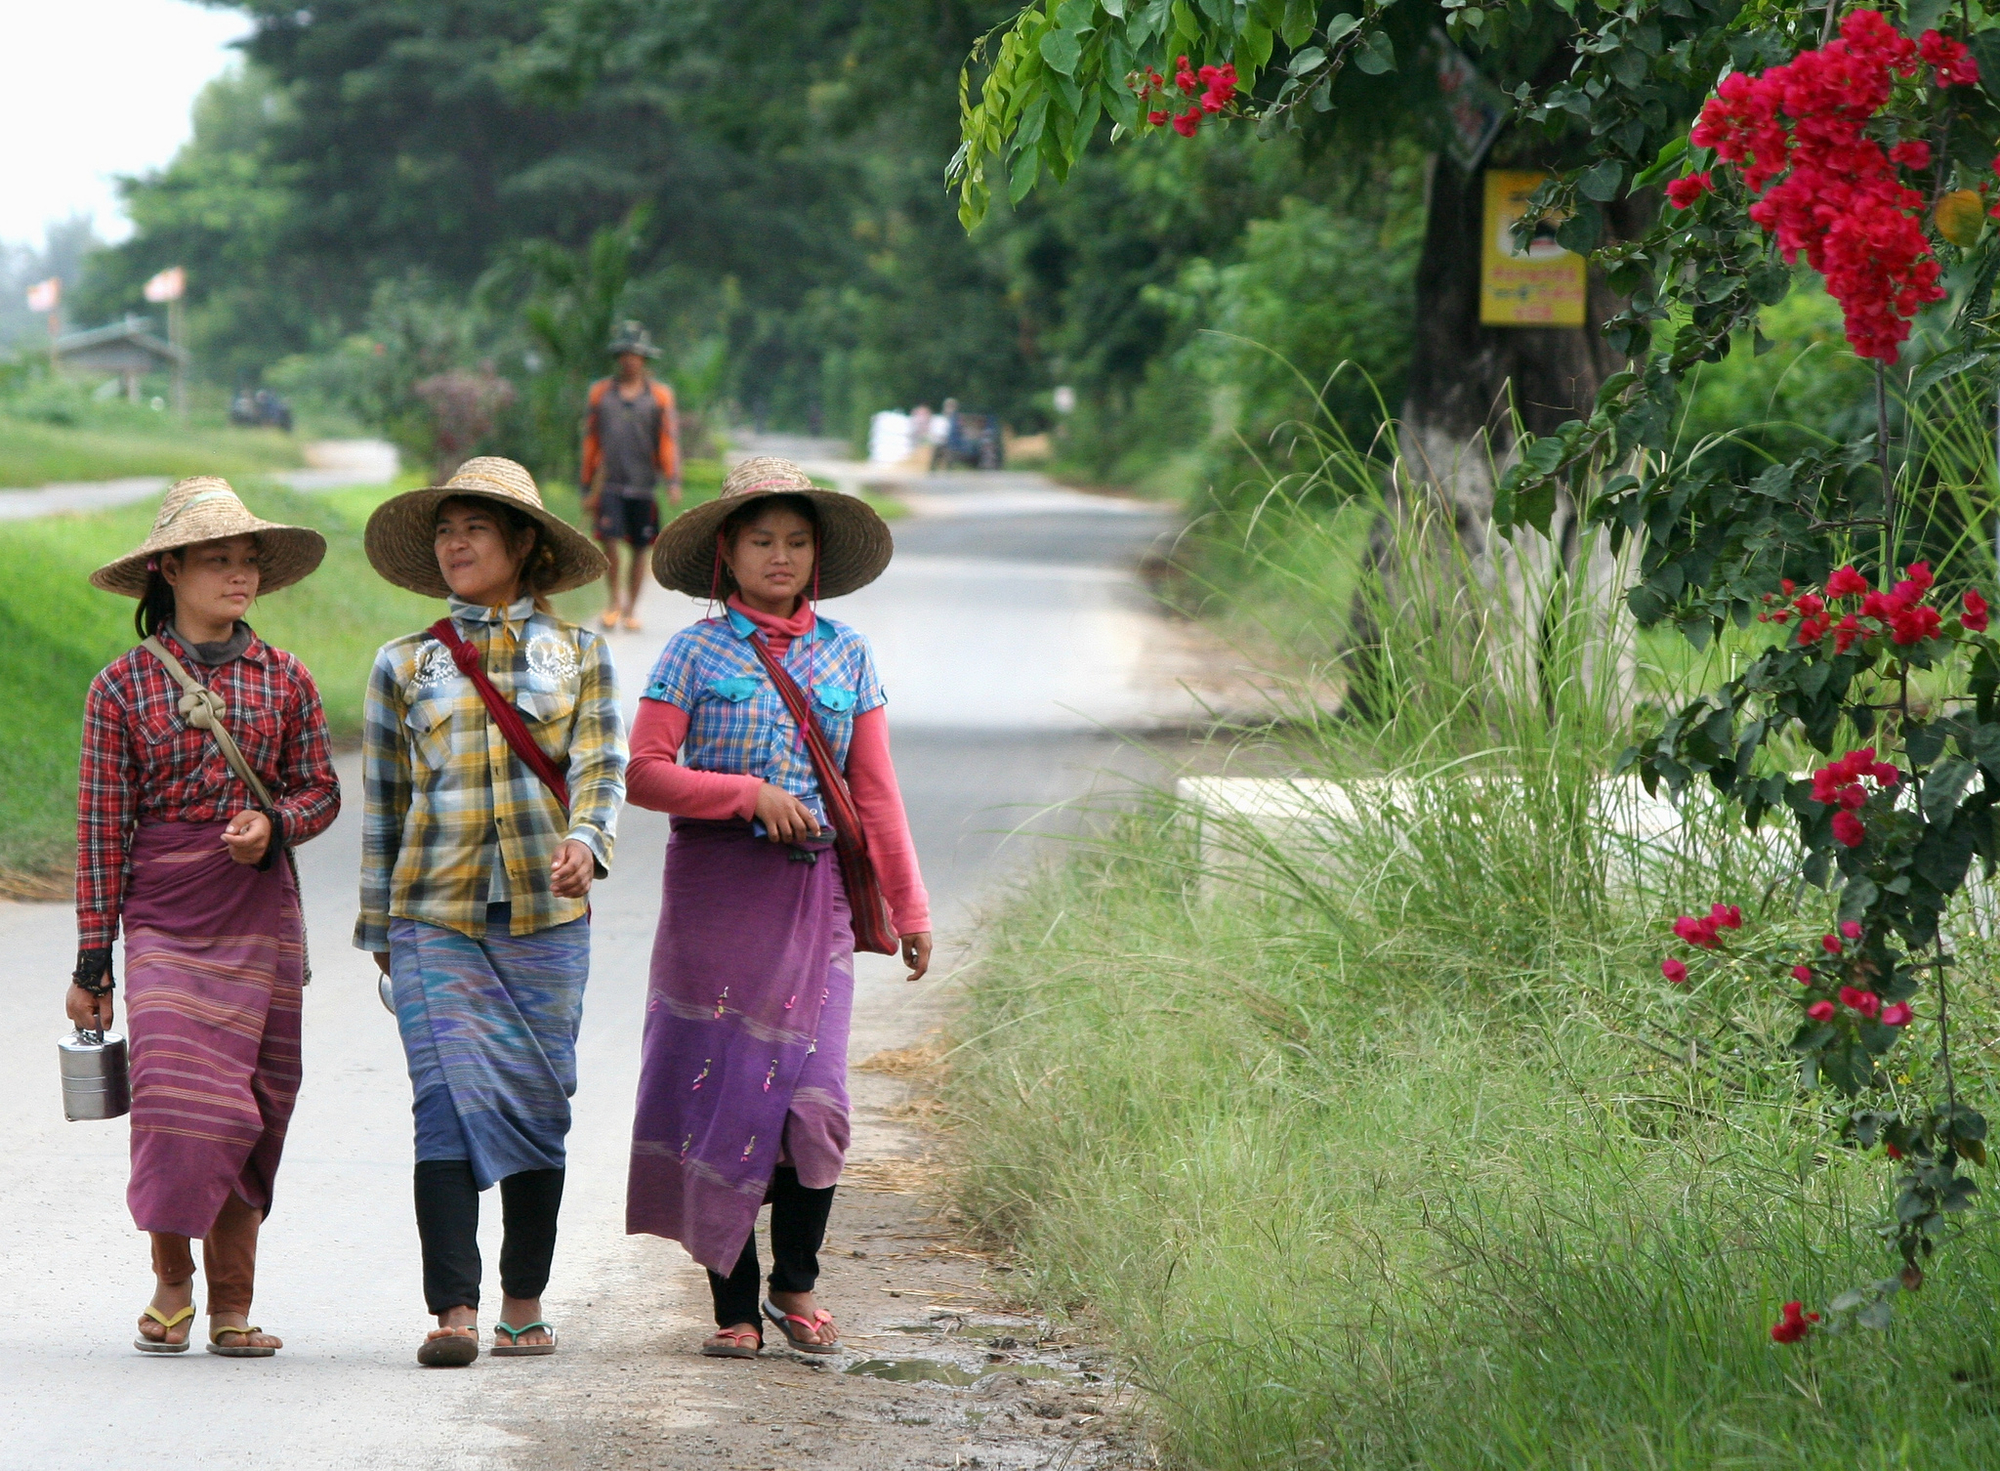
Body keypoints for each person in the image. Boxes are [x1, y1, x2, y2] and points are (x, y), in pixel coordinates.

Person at [624, 456, 933, 1358]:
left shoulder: (849, 653)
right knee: (721, 1095)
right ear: (728, 550)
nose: (780, 555)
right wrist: (746, 793)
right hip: (715, 899)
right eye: (762, 539)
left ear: (819, 554)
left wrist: (909, 907)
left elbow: (874, 793)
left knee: (816, 1103)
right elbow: (644, 774)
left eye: (797, 540)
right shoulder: (691, 651)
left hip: (815, 901)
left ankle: (796, 1276)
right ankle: (734, 1302)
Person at [357, 457, 628, 1366]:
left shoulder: (582, 653)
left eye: (476, 527)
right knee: (441, 1103)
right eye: (445, 529)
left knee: (539, 1104)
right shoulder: (405, 662)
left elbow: (601, 767)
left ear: (525, 545)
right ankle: (453, 1312)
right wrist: (379, 932)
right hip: (433, 918)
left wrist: (588, 841)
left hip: (548, 924)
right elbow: (386, 805)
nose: (456, 543)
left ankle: (522, 1301)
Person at [72, 477, 339, 1358]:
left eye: (248, 559)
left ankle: (233, 1303)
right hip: (165, 920)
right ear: (169, 568)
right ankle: (172, 1281)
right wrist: (92, 966)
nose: (239, 574)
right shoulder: (119, 689)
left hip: (260, 916)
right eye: (218, 559)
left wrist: (277, 826)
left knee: (256, 1104)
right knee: (181, 1101)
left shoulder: (287, 678)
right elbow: (103, 833)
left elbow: (321, 791)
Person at [581, 320, 681, 635]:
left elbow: (668, 439)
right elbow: (590, 440)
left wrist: (672, 479)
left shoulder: (659, 396)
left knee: (640, 547)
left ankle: (632, 609)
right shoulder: (601, 394)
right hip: (609, 482)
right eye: (624, 353)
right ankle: (613, 602)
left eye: (635, 354)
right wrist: (586, 482)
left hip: (643, 484)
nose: (629, 360)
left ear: (644, 359)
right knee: (609, 542)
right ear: (618, 357)